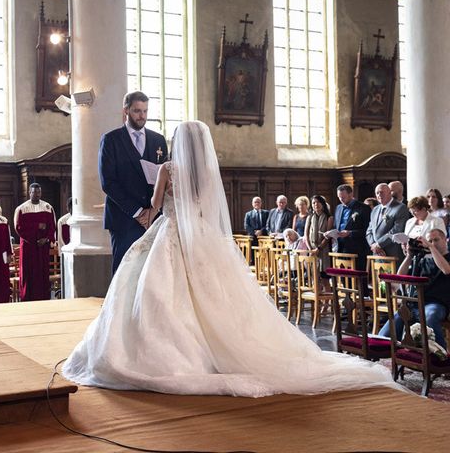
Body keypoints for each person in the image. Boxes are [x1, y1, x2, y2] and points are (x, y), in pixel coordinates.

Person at [62, 121, 396, 397]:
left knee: (153, 290)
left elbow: (155, 199)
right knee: (213, 295)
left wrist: (159, 191)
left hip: (168, 230)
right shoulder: (205, 171)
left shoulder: (167, 168)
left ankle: (165, 353)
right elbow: (205, 206)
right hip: (200, 235)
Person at [99, 91, 169, 274]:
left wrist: (152, 211)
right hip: (124, 218)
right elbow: (108, 183)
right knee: (125, 271)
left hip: (153, 218)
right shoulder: (111, 140)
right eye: (137, 111)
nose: (142, 116)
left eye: (145, 111)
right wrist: (138, 212)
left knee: (151, 273)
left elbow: (166, 179)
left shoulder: (158, 140)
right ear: (126, 111)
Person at [378, 229, 450, 350]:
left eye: (436, 240)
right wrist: (409, 256)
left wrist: (431, 247)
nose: (433, 242)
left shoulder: (447, 258)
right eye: (430, 240)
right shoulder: (423, 260)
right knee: (385, 335)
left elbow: (446, 270)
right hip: (414, 304)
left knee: (430, 315)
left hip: (436, 304)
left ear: (445, 240)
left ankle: (441, 355)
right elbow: (399, 278)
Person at [14, 183, 56, 301]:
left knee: (42, 272)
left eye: (38, 192)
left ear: (40, 193)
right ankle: (27, 297)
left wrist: (46, 239)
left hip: (43, 247)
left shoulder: (48, 207)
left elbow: (52, 226)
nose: (36, 194)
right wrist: (36, 231)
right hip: (28, 246)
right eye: (34, 192)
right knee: (28, 272)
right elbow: (18, 227)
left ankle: (44, 297)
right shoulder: (22, 208)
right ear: (29, 193)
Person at [365, 183, 409, 261]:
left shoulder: (400, 207)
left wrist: (379, 244)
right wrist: (373, 245)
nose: (379, 195)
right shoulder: (375, 209)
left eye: (381, 192)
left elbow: (397, 230)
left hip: (392, 252)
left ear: (389, 193)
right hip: (376, 253)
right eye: (377, 193)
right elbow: (369, 231)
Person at [333, 184, 371, 270]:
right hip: (341, 247)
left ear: (351, 194)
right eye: (339, 197)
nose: (341, 200)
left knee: (358, 277)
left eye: (343, 197)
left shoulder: (363, 208)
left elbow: (367, 230)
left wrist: (350, 233)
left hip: (357, 248)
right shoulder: (338, 208)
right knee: (343, 277)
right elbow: (336, 225)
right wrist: (332, 233)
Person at [304, 194, 334, 283]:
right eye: (313, 203)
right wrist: (310, 249)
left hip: (324, 250)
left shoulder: (329, 217)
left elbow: (328, 236)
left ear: (323, 204)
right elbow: (306, 233)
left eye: (318, 202)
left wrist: (319, 248)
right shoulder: (309, 217)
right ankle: (317, 294)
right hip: (312, 249)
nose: (316, 205)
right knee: (314, 277)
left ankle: (327, 294)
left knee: (324, 278)